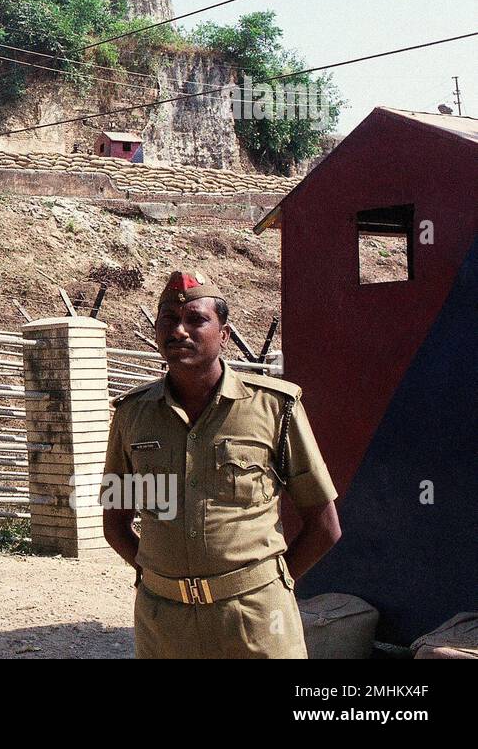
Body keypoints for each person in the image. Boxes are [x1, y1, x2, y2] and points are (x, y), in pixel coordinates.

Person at [101, 271, 342, 658]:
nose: (179, 331)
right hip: (165, 625)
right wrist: (163, 577)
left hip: (255, 621)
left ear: (224, 335)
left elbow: (324, 526)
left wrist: (264, 586)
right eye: (168, 320)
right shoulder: (133, 415)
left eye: (196, 320)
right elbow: (115, 523)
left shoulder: (273, 408)